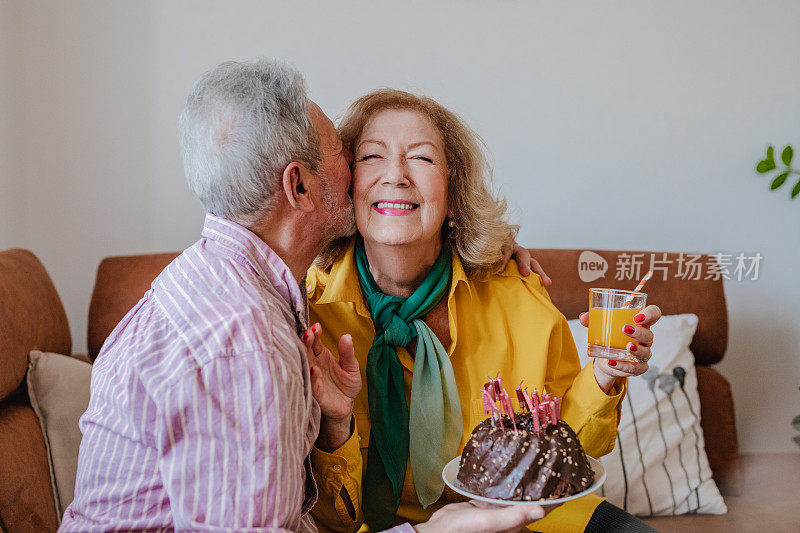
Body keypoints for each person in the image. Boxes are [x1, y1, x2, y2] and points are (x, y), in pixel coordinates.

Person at [60, 60, 545, 533]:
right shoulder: (246, 344)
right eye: (346, 152)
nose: (366, 171)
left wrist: (482, 243)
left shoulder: (223, 281)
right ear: (298, 184)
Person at [303, 89, 662, 532]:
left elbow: (562, 462)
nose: (396, 175)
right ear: (346, 184)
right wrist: (336, 426)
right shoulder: (307, 307)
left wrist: (606, 374)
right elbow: (323, 512)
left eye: (422, 159)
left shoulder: (519, 297)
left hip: (527, 519)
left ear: (454, 194)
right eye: (373, 156)